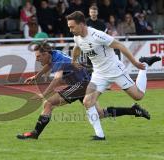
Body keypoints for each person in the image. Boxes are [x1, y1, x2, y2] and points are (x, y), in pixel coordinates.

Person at [16, 41, 150, 140]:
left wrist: (44, 94)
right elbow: (48, 65)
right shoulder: (54, 54)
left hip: (81, 84)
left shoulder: (58, 60)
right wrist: (37, 76)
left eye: (38, 57)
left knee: (48, 103)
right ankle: (133, 110)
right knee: (99, 114)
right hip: (85, 83)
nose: (37, 59)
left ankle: (35, 133)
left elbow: (57, 79)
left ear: (45, 54)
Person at [66, 11, 161, 139]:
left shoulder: (97, 35)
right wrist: (73, 61)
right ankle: (100, 135)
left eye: (72, 27)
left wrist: (135, 63)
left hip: (115, 71)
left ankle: (144, 65)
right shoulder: (77, 37)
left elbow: (120, 45)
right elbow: (77, 47)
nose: (70, 30)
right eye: (69, 27)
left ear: (82, 24)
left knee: (138, 96)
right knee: (87, 102)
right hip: (99, 74)